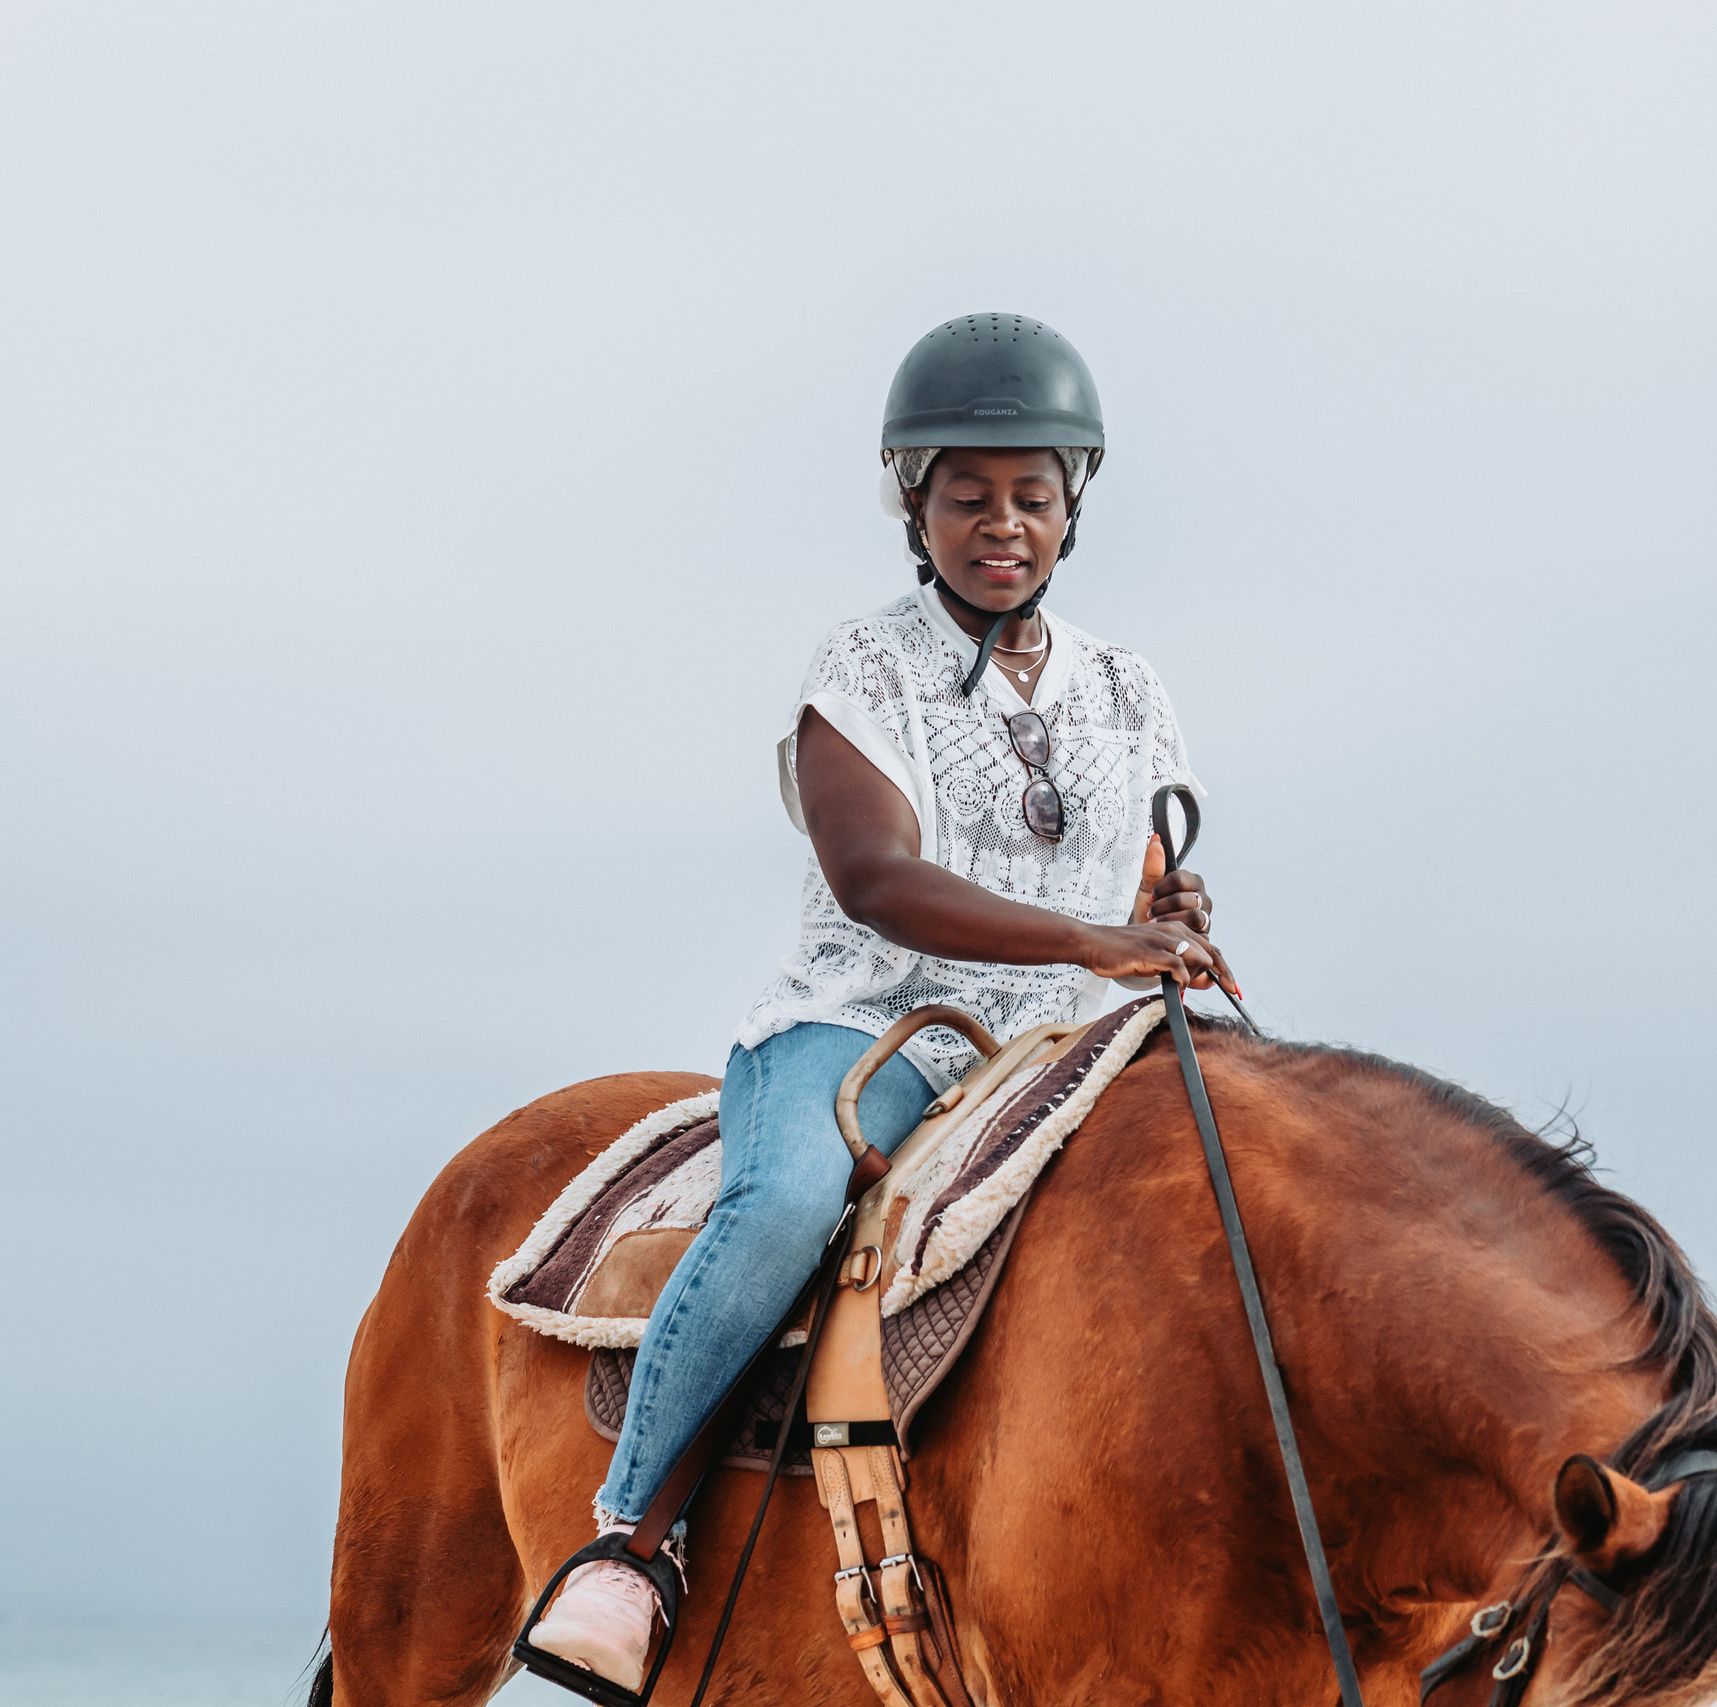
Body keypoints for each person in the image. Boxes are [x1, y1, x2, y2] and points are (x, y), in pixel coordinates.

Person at [523, 313, 1235, 1693]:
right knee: (789, 1203)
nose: (1003, 525)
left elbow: (1143, 867)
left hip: (1080, 1042)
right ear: (914, 501)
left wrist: (1171, 916)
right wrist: (1096, 937)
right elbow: (874, 877)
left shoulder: (1129, 687)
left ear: (1072, 504)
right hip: (875, 1023)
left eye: (1032, 496)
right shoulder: (861, 668)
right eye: (969, 496)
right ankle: (629, 1547)